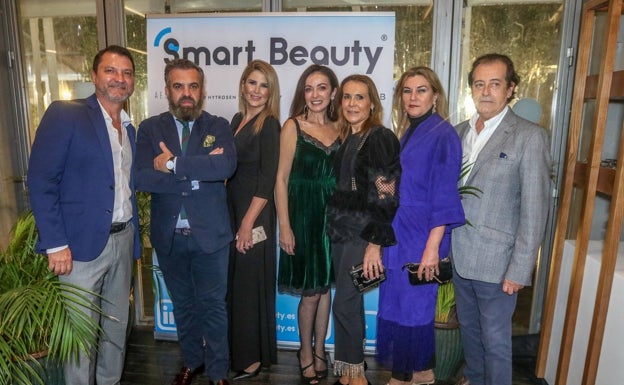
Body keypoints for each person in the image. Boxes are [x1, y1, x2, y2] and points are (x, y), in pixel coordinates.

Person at [27, 45, 141, 385]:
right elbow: (41, 180)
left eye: (126, 73)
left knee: (116, 330)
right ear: (94, 76)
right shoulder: (66, 115)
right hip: (77, 248)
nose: (119, 79)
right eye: (111, 71)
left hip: (123, 240)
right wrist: (55, 243)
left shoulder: (131, 128)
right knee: (80, 337)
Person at [135, 58, 236, 385]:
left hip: (211, 237)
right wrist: (195, 172)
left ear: (202, 90)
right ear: (167, 90)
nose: (186, 93)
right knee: (184, 307)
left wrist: (174, 165)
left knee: (213, 308)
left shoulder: (218, 126)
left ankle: (218, 371)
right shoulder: (150, 129)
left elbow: (224, 169)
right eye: (179, 86)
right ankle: (193, 361)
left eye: (193, 86)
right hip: (170, 239)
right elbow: (141, 177)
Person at [452, 53, 551, 385]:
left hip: (499, 264)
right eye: (479, 84)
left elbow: (535, 210)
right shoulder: (459, 132)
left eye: (495, 84)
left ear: (510, 89)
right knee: (470, 334)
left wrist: (519, 270)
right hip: (460, 256)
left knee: (495, 342)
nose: (486, 91)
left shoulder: (528, 136)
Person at [375, 67, 465, 385]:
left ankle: (403, 377)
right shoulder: (410, 130)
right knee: (400, 305)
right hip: (400, 235)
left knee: (414, 308)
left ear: (435, 95)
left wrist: (432, 248)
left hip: (422, 236)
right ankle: (420, 372)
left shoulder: (442, 134)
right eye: (408, 91)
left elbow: (443, 195)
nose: (413, 97)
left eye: (421, 90)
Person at [326, 74, 401, 385]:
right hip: (341, 234)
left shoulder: (379, 137)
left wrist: (374, 244)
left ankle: (356, 376)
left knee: (344, 302)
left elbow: (387, 194)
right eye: (346, 97)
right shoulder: (348, 138)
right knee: (348, 303)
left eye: (359, 97)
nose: (352, 104)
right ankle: (348, 373)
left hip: (361, 234)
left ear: (372, 103)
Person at [275, 64, 340, 385]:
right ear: (303, 93)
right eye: (309, 88)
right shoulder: (292, 126)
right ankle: (304, 351)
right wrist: (284, 227)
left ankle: (320, 351)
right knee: (312, 293)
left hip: (334, 219)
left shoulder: (343, 127)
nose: (315, 95)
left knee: (326, 289)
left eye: (322, 88)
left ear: (333, 93)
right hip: (303, 218)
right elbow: (281, 179)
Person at [227, 60, 280, 380]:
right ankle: (240, 351)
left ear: (270, 91)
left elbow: (267, 179)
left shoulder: (270, 123)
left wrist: (247, 223)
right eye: (252, 83)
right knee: (236, 285)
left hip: (255, 216)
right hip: (233, 212)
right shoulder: (236, 119)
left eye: (264, 85)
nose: (257, 90)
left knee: (249, 285)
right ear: (243, 85)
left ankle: (253, 359)